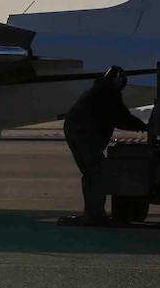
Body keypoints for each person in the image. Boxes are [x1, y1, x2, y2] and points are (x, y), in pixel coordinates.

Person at [62, 67, 148, 225]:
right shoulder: (108, 92)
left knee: (92, 173)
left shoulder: (101, 90)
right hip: (83, 134)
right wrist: (144, 126)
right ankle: (95, 214)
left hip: (78, 132)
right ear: (118, 81)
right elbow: (120, 117)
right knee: (96, 173)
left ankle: (93, 213)